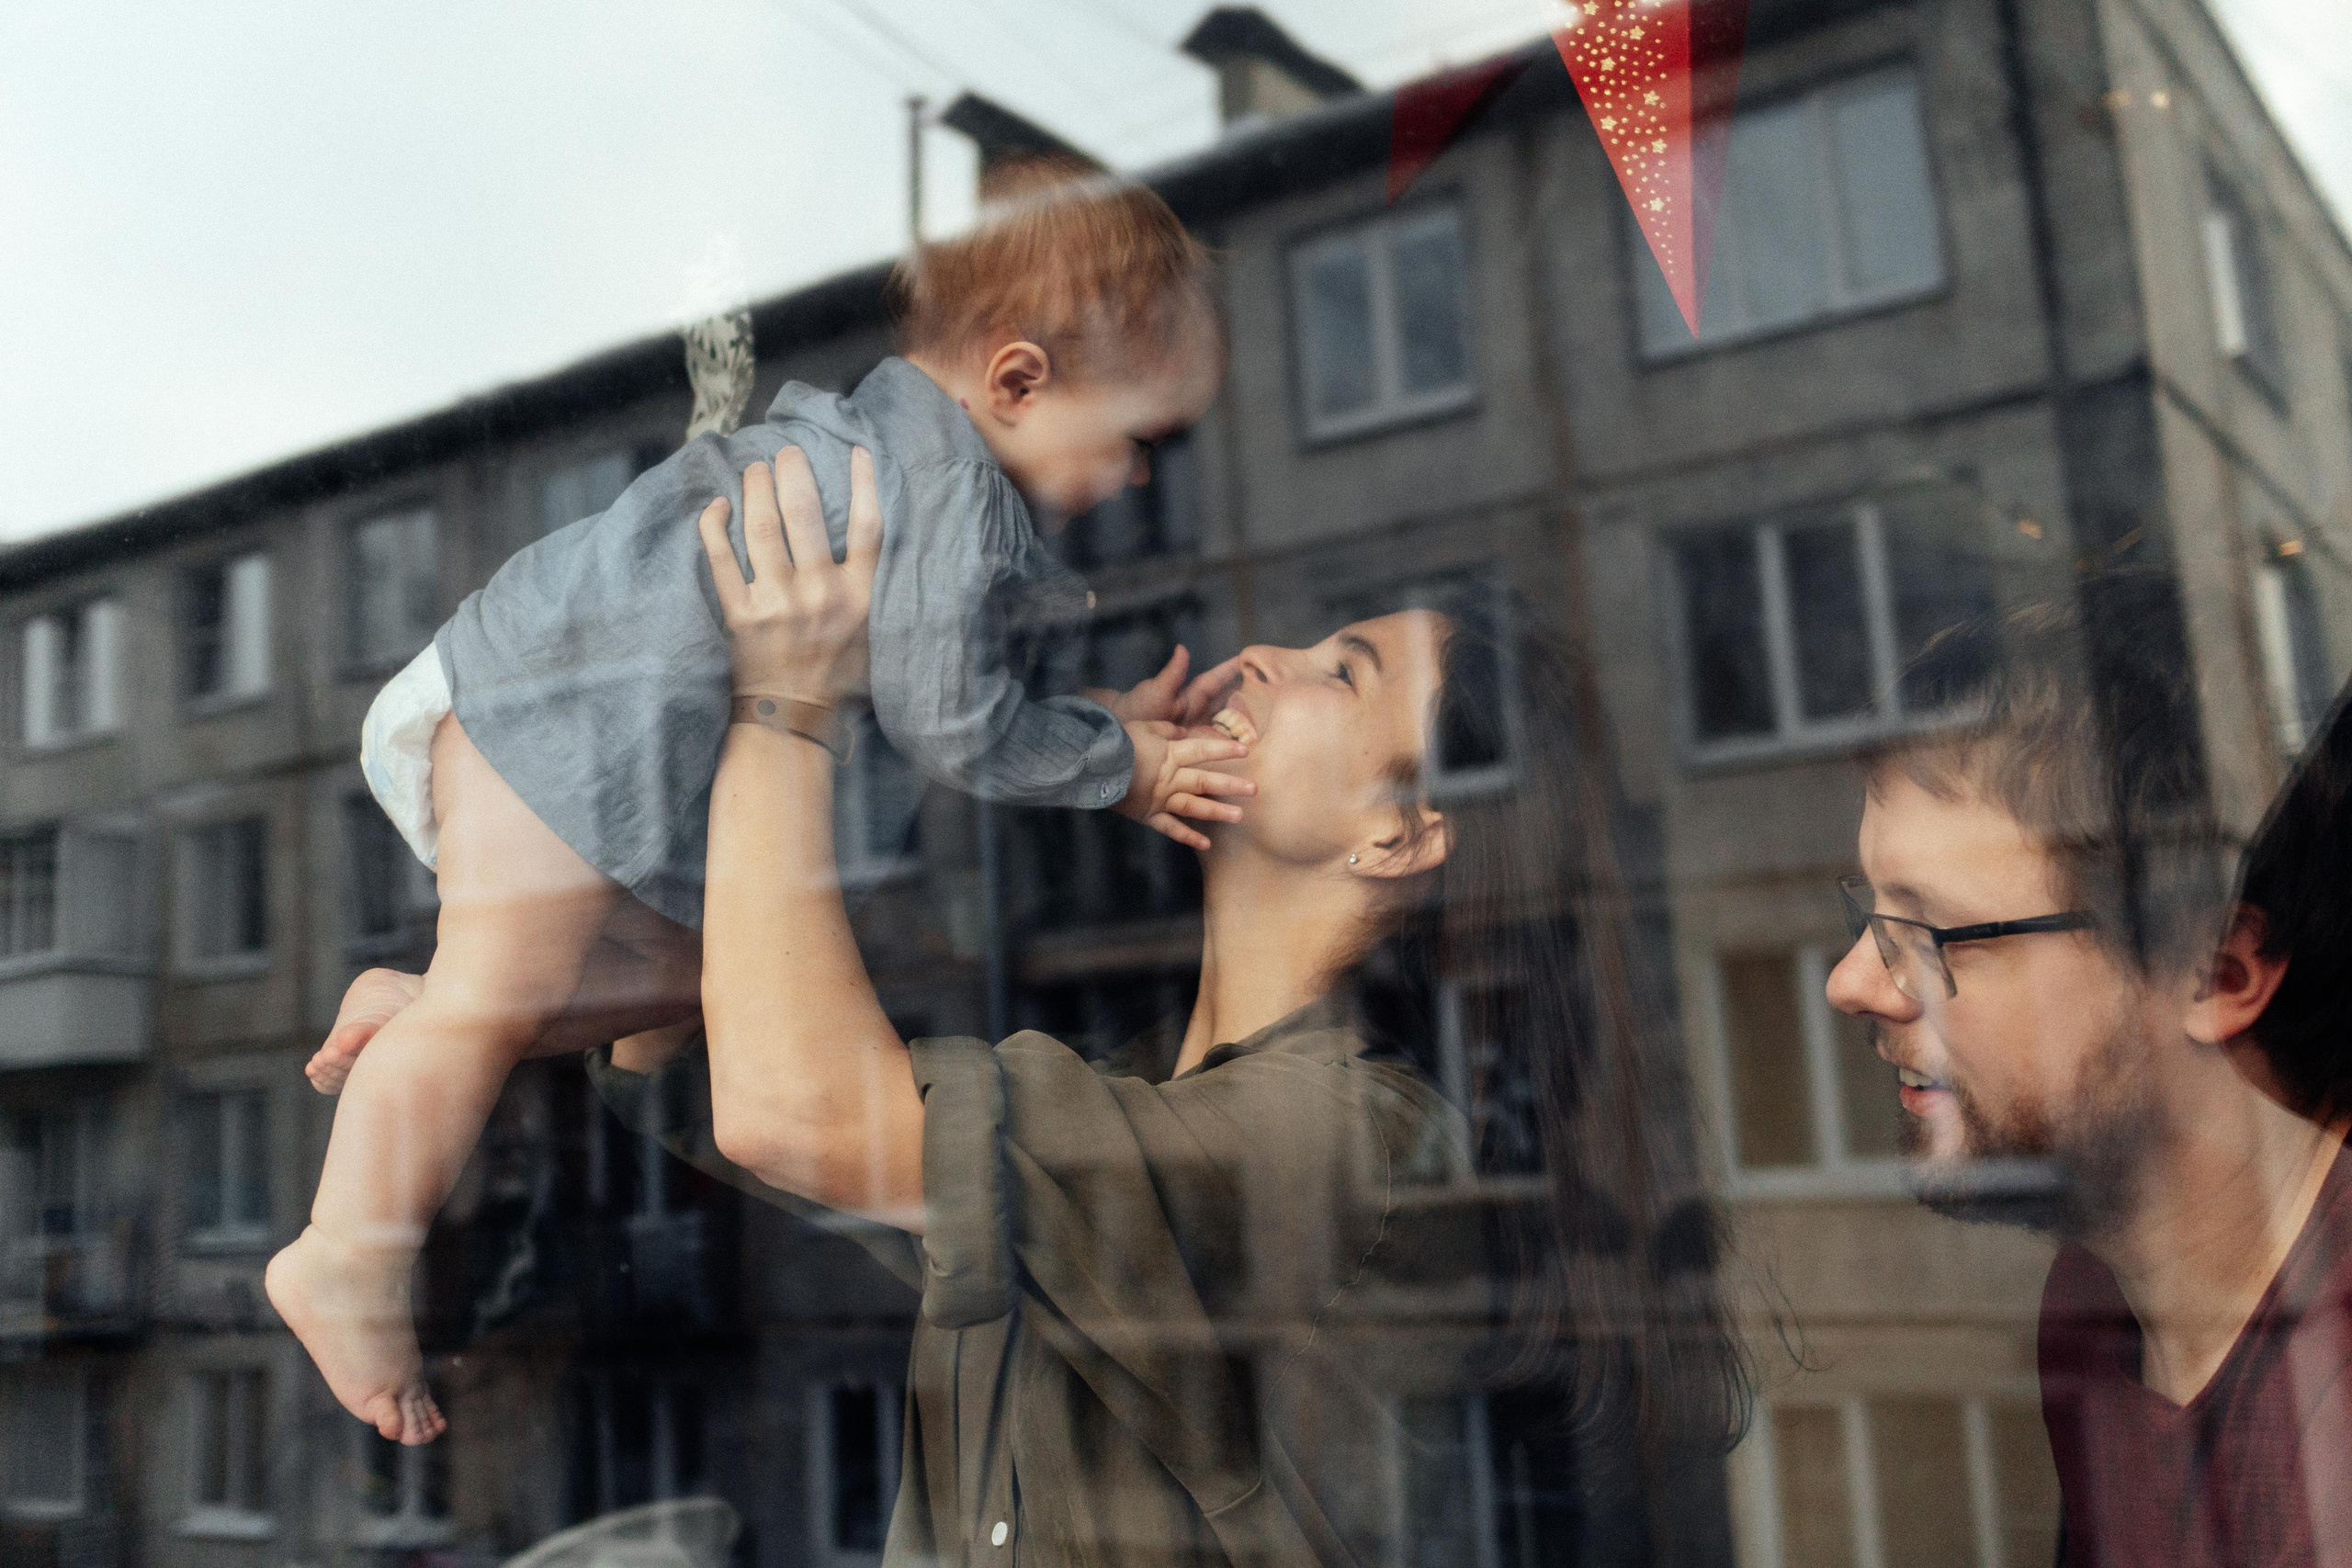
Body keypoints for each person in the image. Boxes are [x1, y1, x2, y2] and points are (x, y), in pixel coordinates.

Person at [327, 452, 1750, 1562]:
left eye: (1341, 671)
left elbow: (794, 1107)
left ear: (1400, 834)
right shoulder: (1137, 1095)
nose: (1264, 657)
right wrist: (495, 994)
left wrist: (788, 705)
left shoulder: (1342, 1146)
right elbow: (721, 1066)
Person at [266, 163, 1236, 1446]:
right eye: (1140, 441)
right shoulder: (946, 495)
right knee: (500, 986)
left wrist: (1091, 718)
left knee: (698, 976)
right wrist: (1126, 770)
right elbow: (954, 721)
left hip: (567, 709)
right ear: (1016, 384)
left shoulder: (901, 441)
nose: (1140, 483)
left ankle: (429, 1020)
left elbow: (924, 682)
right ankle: (342, 1246)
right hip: (557, 713)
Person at [1826, 572, 2352, 1566]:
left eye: (1929, 930)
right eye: (1867, 917)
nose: (1854, 982)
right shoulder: (2094, 1304)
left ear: (2214, 970)